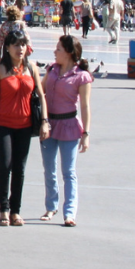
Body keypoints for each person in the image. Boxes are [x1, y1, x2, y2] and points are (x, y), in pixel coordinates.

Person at [0, 28, 48, 226]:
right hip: (3, 123)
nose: (20, 49)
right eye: (16, 45)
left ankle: (15, 210)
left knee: (20, 168)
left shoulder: (32, 68)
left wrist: (45, 121)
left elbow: (41, 96)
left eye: (22, 45)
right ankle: (3, 208)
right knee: (5, 165)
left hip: (25, 124)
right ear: (8, 48)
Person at [39, 35, 92, 227]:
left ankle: (69, 212)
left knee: (68, 171)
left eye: (58, 49)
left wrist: (86, 134)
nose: (55, 51)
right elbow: (40, 92)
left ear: (69, 52)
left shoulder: (82, 76)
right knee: (49, 169)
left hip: (69, 124)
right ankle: (50, 206)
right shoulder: (51, 70)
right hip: (49, 124)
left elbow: (85, 106)